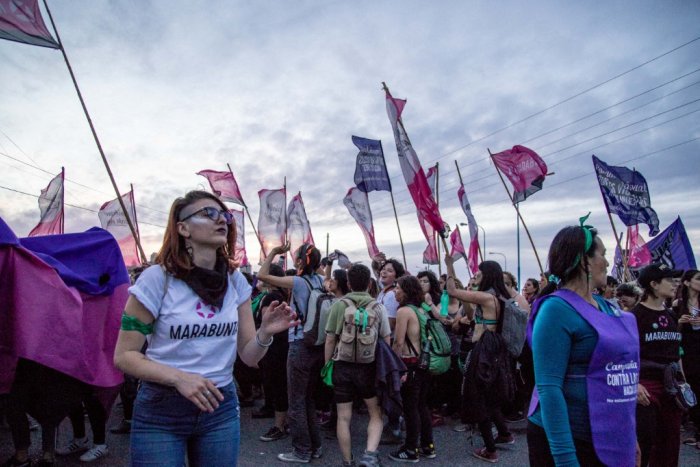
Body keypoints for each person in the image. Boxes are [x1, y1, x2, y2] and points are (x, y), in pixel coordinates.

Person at [113, 190, 296, 467]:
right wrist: (178, 378)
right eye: (208, 213)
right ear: (183, 228)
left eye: (223, 214)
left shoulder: (235, 281)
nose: (221, 219)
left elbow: (248, 356)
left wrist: (265, 334)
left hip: (219, 408)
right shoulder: (156, 280)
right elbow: (124, 355)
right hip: (162, 410)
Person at [526, 216, 640, 467]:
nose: (608, 262)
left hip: (609, 434)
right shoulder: (556, 310)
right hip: (571, 439)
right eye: (603, 254)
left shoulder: (606, 306)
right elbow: (549, 388)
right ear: (584, 260)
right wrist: (566, 459)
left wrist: (629, 438)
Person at [257, 242, 327, 464]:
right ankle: (315, 446)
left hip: (299, 344)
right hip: (316, 344)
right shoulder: (319, 281)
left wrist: (275, 253)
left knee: (295, 400)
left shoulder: (298, 282)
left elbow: (262, 275)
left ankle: (301, 451)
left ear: (299, 261)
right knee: (308, 399)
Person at [445, 257, 514, 464]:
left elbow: (452, 292)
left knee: (478, 400)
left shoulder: (486, 297)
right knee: (489, 398)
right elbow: (471, 315)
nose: (476, 275)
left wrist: (449, 265)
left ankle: (490, 450)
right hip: (492, 353)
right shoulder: (498, 297)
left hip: (482, 354)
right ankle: (504, 434)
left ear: (488, 275)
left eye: (479, 273)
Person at [324, 264, 391, 467]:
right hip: (368, 368)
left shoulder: (339, 305)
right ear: (370, 283)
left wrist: (327, 365)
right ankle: (369, 455)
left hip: (342, 366)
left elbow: (330, 339)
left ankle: (347, 461)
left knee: (343, 417)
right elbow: (386, 341)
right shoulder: (378, 307)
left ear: (349, 283)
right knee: (375, 413)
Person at [633, 264, 684, 467]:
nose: (674, 284)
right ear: (653, 284)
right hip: (647, 388)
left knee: (670, 445)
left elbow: (676, 352)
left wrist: (683, 383)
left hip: (671, 387)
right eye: (668, 280)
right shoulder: (634, 316)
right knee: (645, 444)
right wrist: (634, 384)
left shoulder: (671, 315)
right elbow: (625, 355)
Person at [389, 275, 436, 463]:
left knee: (410, 408)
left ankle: (410, 449)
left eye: (398, 288)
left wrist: (394, 367)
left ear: (406, 290)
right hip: (423, 363)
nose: (395, 291)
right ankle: (427, 446)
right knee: (422, 406)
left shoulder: (404, 311)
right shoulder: (420, 310)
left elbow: (399, 343)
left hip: (409, 364)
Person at [255, 264, 291, 442]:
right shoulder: (283, 295)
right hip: (282, 344)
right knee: (280, 384)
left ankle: (280, 426)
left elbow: (265, 323)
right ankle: (283, 422)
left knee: (277, 385)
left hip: (273, 346)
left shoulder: (271, 297)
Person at [673, 269, 700, 448]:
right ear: (687, 282)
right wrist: (680, 322)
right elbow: (671, 332)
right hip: (688, 353)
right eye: (698, 279)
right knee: (693, 390)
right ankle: (698, 433)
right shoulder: (677, 304)